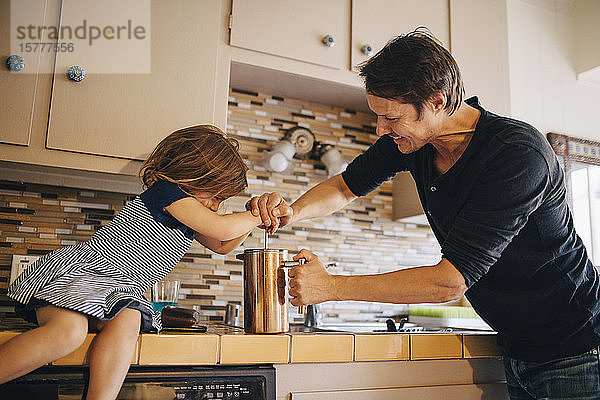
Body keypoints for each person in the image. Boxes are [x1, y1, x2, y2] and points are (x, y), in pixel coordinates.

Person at [247, 30, 600, 399]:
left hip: (577, 346)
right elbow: (344, 187)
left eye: (391, 117)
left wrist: (331, 287)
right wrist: (292, 211)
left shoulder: (516, 155)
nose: (381, 129)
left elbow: (448, 282)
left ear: (436, 101)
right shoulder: (413, 141)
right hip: (518, 347)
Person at [0, 125, 264, 399]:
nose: (215, 207)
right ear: (193, 174)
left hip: (118, 292)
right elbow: (221, 229)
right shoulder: (168, 193)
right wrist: (257, 216)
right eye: (217, 197)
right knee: (69, 333)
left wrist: (256, 213)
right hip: (88, 275)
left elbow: (222, 244)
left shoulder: (189, 215)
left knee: (130, 318)